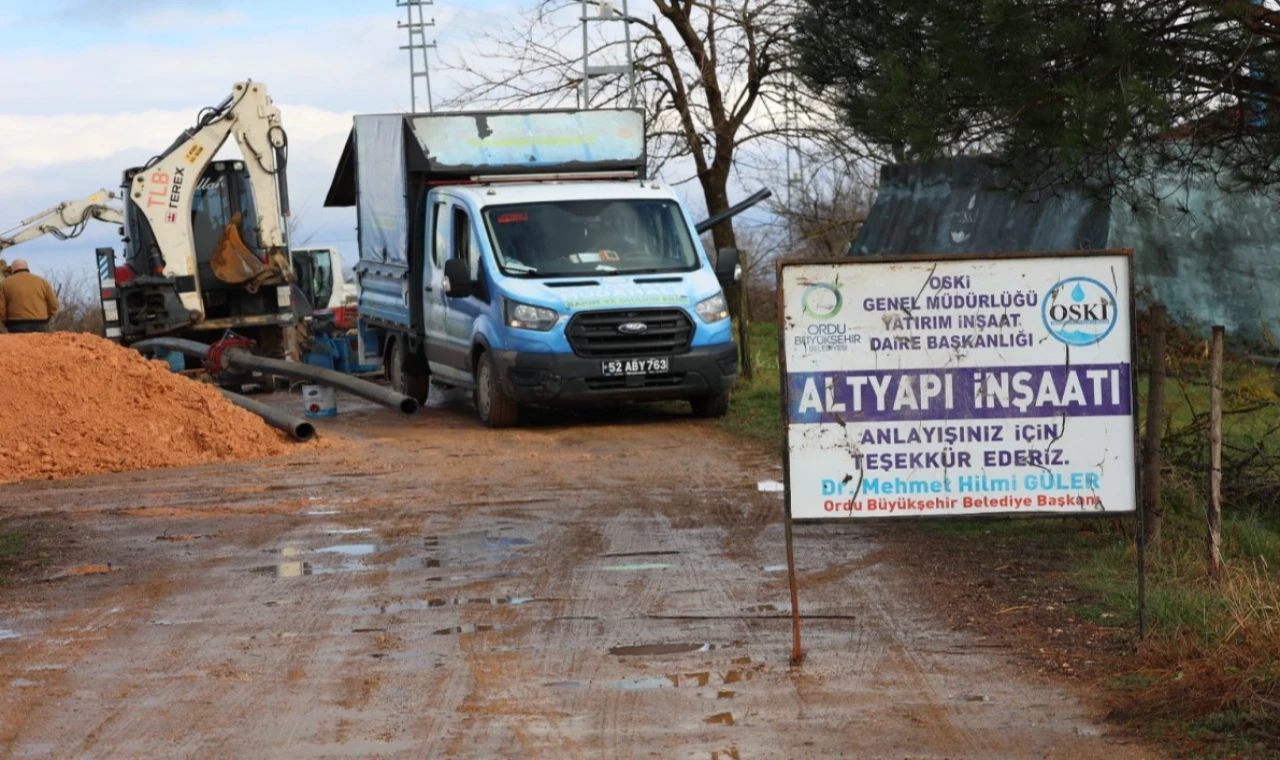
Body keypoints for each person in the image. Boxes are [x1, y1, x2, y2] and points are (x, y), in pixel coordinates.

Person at [0, 259, 59, 333]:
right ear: (27, 268)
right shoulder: (43, 282)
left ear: (12, 269)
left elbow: (1, 309)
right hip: (41, 324)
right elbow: (54, 305)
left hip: (16, 325)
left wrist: (6, 323)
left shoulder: (4, 284)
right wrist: (45, 319)